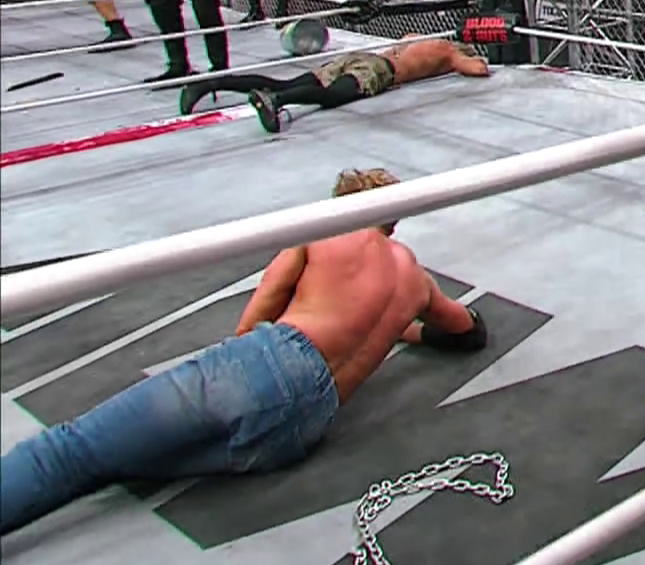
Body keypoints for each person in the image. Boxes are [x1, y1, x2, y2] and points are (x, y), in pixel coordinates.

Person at [0, 168, 487, 536]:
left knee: (69, 452)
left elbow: (254, 320)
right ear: (393, 223)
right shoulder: (417, 283)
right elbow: (469, 333)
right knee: (110, 464)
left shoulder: (325, 231)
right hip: (304, 428)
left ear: (344, 204)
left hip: (266, 367)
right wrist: (401, 330)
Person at [178, 37, 491, 132]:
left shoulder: (422, 40)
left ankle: (208, 84)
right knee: (332, 96)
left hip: (362, 57)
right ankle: (276, 101)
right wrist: (471, 59)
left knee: (282, 81)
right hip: (379, 69)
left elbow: (405, 42)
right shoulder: (449, 52)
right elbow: (478, 70)